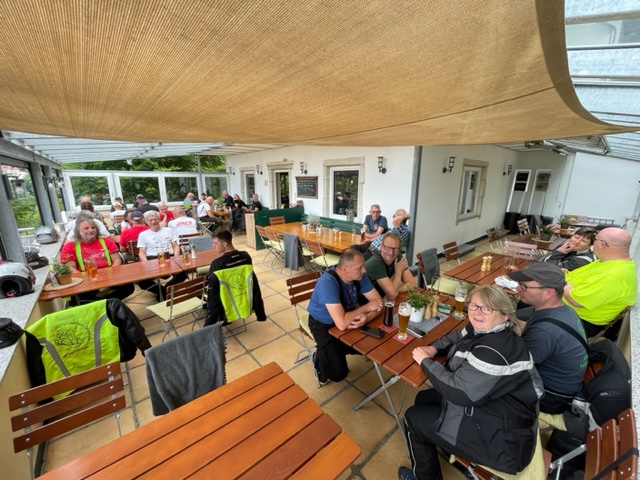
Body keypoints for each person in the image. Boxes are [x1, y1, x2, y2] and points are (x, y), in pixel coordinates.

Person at [399, 286, 542, 480]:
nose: (476, 312)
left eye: (487, 308)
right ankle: (439, 444)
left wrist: (426, 362)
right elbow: (458, 335)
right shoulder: (492, 329)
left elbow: (458, 391)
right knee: (424, 398)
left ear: (505, 315)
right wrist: (434, 348)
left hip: (501, 442)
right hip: (493, 410)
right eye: (474, 305)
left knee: (413, 418)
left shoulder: (495, 351)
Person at [507, 263, 587, 414]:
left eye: (524, 286)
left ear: (548, 292)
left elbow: (513, 366)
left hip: (550, 396)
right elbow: (528, 327)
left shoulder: (545, 331)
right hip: (563, 383)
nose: (518, 288)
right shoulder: (563, 310)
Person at [307, 248, 383, 385]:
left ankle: (334, 350)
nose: (364, 270)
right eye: (359, 268)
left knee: (371, 346)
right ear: (344, 269)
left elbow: (379, 304)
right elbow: (342, 324)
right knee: (338, 374)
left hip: (347, 317)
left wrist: (367, 318)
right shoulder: (328, 282)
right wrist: (366, 308)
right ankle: (319, 357)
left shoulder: (359, 276)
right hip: (322, 324)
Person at [562, 227, 637, 338]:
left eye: (595, 239)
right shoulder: (608, 261)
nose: (593, 243)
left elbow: (575, 300)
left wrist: (560, 278)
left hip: (577, 320)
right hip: (565, 308)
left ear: (602, 244)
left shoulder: (613, 275)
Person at [59, 217, 135, 303]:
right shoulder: (69, 247)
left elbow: (117, 260)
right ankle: (109, 303)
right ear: (78, 230)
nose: (91, 230)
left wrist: (111, 276)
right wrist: (85, 279)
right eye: (86, 228)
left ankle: (105, 303)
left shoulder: (107, 242)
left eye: (93, 227)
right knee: (81, 295)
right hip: (85, 280)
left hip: (109, 276)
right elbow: (70, 268)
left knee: (128, 286)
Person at [205, 230, 267, 325]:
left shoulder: (216, 264)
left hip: (227, 302)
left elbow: (212, 290)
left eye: (215, 243)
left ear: (225, 244)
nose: (213, 246)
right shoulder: (246, 256)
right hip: (243, 297)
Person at [136, 211, 188, 301]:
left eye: (155, 219)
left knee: (184, 273)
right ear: (146, 222)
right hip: (152, 259)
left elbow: (175, 246)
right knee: (142, 281)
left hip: (169, 257)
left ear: (159, 220)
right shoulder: (143, 234)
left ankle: (166, 289)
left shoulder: (168, 230)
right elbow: (141, 252)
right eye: (150, 220)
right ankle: (162, 291)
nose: (153, 222)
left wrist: (176, 258)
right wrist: (146, 264)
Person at [365, 232, 415, 299]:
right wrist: (398, 272)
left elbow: (412, 283)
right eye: (387, 248)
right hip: (368, 302)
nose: (391, 253)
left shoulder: (397, 257)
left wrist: (396, 290)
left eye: (395, 249)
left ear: (399, 249)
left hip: (384, 298)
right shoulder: (375, 263)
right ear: (381, 246)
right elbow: (392, 295)